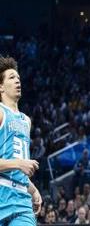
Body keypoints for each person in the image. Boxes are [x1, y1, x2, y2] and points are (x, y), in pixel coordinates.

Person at [0, 56, 43, 226]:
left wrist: (33, 189)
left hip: (21, 202)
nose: (17, 80)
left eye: (18, 77)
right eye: (11, 77)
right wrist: (18, 164)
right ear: (1, 87)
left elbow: (18, 167)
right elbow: (18, 164)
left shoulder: (26, 121)